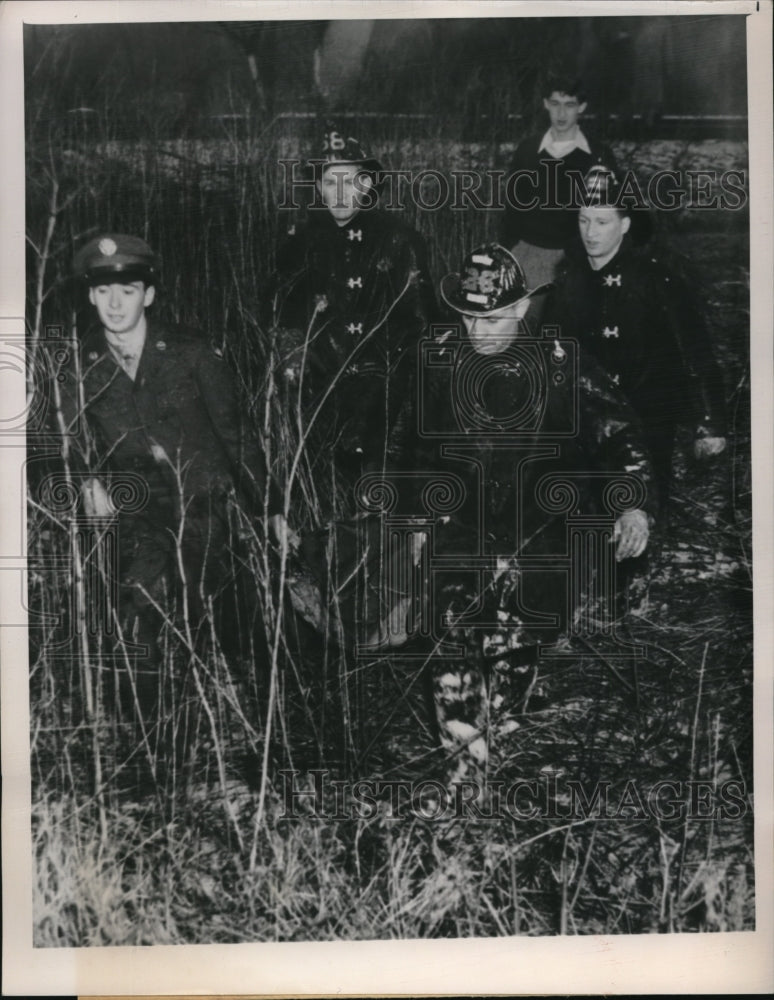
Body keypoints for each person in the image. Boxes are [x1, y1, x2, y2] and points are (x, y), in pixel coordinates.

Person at [425, 243, 656, 780]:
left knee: (511, 655)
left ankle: (506, 748)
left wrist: (633, 507)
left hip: (535, 541)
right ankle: (465, 779)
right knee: (453, 645)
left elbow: (620, 439)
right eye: (469, 317)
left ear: (522, 309)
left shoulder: (561, 366)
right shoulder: (436, 361)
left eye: (495, 319)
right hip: (458, 536)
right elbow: (402, 446)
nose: (479, 331)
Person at [60, 233, 283, 715]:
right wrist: (86, 480)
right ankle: (152, 747)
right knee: (136, 610)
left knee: (238, 620)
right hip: (142, 512)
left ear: (150, 295)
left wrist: (272, 510)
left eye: (128, 291)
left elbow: (237, 437)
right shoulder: (81, 364)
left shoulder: (191, 353)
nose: (115, 304)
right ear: (90, 296)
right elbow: (66, 436)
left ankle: (275, 723)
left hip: (208, 506)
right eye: (103, 292)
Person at [269, 122, 438, 651]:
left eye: (350, 181)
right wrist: (293, 365)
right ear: (317, 187)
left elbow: (423, 322)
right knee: (328, 500)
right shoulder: (298, 241)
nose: (339, 193)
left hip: (388, 389)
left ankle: (393, 616)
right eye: (328, 181)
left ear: (369, 185)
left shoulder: (400, 238)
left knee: (385, 497)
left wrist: (413, 385)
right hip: (322, 392)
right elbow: (281, 315)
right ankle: (331, 613)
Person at [543, 166, 727, 501]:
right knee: (587, 520)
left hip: (648, 418)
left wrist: (708, 422)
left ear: (624, 225)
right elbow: (549, 350)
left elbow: (694, 350)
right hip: (583, 422)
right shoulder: (567, 281)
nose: (590, 232)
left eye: (602, 222)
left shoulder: (657, 281)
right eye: (583, 220)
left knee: (640, 513)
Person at [501, 74, 617, 322]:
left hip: (576, 258)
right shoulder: (528, 150)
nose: (561, 113)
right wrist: (511, 252)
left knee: (572, 335)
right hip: (531, 255)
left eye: (570, 105)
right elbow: (511, 210)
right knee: (525, 332)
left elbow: (610, 214)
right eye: (555, 104)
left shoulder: (598, 154)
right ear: (545, 104)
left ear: (582, 107)